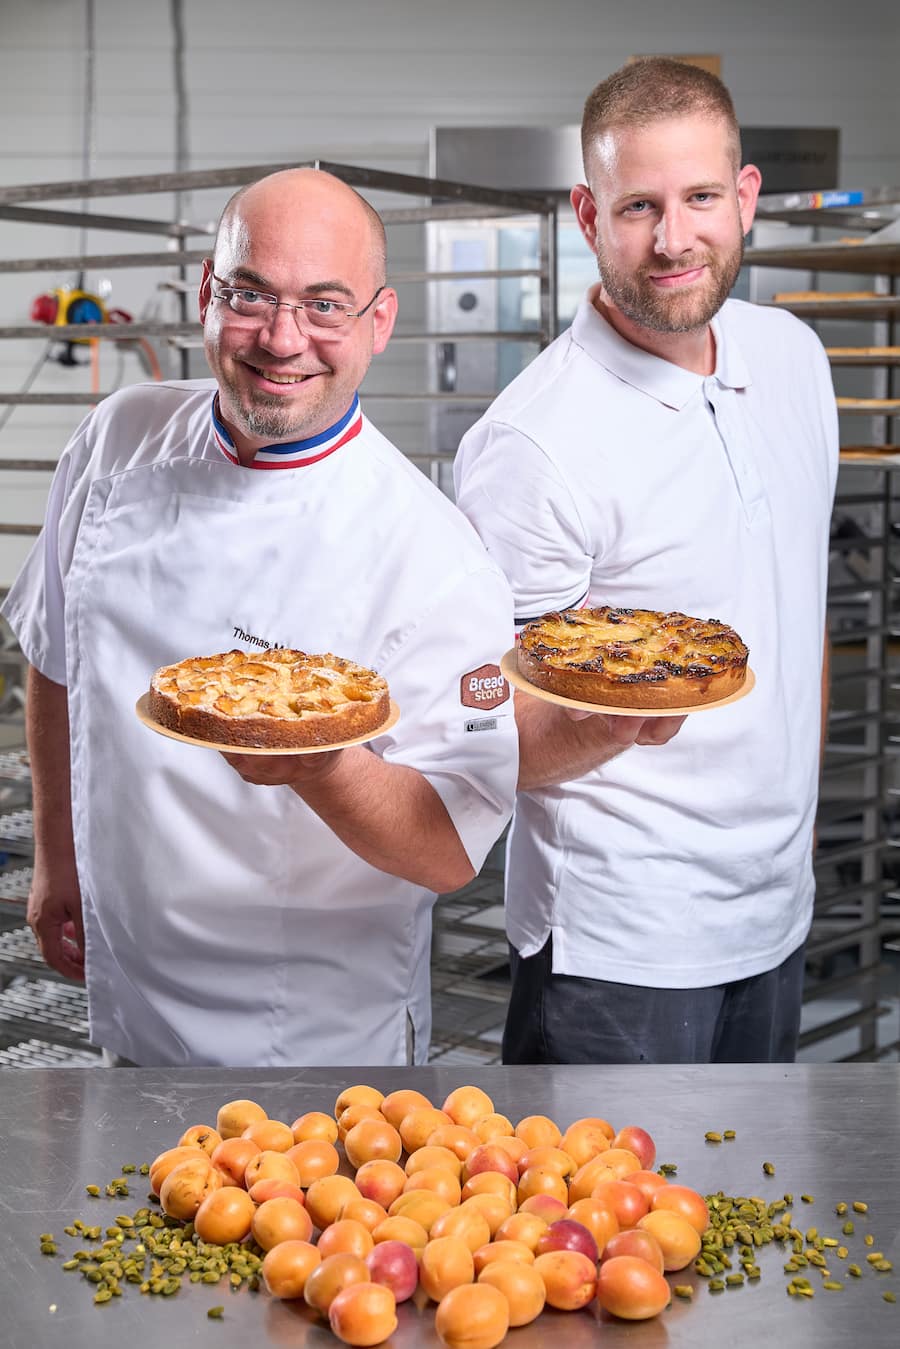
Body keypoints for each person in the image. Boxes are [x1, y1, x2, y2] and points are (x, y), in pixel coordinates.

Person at [4, 168, 517, 1067]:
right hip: (123, 997)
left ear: (379, 324)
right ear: (207, 293)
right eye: (251, 296)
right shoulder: (114, 439)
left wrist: (317, 763)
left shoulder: (436, 556)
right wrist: (57, 855)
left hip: (312, 1044)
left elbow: (446, 850)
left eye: (326, 305)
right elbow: (55, 650)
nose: (283, 340)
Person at [454, 58, 838, 1065]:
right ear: (587, 213)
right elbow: (477, 717)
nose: (675, 239)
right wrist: (618, 714)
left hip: (778, 913)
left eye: (701, 197)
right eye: (638, 207)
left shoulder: (795, 358)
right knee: (599, 1228)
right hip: (618, 950)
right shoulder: (533, 442)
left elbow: (799, 618)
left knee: (747, 1221)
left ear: (745, 198)